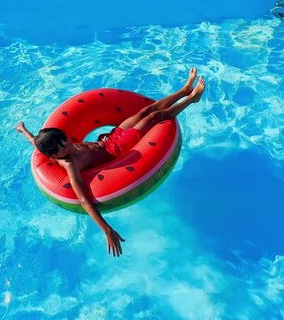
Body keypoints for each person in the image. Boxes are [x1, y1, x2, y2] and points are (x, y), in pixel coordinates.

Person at [16, 68, 205, 257]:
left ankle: (185, 90)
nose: (68, 145)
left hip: (110, 138)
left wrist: (24, 130)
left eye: (65, 139)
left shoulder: (56, 148)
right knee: (154, 117)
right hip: (117, 149)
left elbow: (35, 142)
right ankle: (191, 99)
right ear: (55, 155)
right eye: (63, 147)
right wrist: (107, 230)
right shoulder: (71, 165)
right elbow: (83, 200)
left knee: (147, 110)